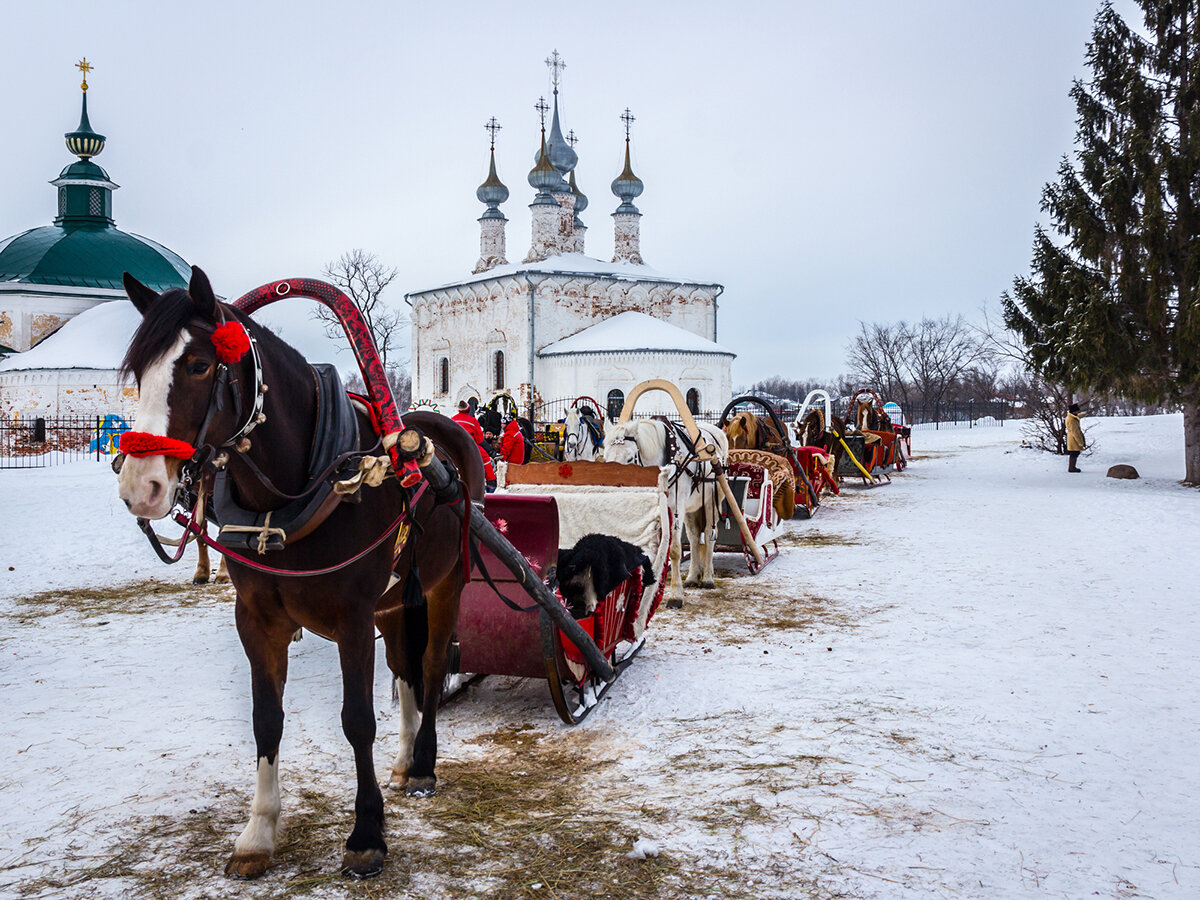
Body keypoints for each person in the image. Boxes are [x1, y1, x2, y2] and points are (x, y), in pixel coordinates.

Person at [452, 399, 497, 492]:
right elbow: (480, 439)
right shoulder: (472, 421)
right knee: (485, 459)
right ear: (468, 409)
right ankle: (491, 482)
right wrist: (490, 451)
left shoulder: (453, 419)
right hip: (469, 446)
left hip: (454, 446)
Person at [1065, 402, 1085, 472]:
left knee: (1074, 453)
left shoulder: (1071, 417)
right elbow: (1075, 432)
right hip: (1073, 439)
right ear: (1074, 411)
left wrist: (1083, 414)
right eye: (1077, 411)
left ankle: (1072, 467)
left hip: (1072, 438)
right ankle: (1072, 468)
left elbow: (1077, 416)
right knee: (1074, 453)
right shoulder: (1072, 420)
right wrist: (1080, 442)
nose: (1078, 412)